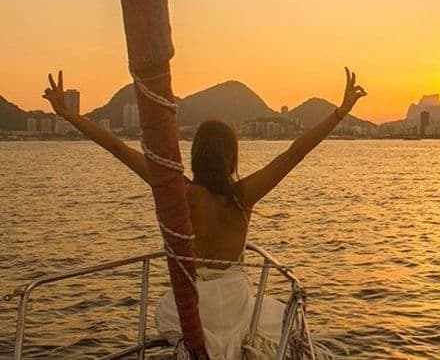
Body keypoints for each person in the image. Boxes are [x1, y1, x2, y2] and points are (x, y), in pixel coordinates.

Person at [42, 68, 366, 359]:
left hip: (194, 304)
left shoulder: (179, 192)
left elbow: (118, 148)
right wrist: (339, 112)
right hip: (237, 304)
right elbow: (295, 152)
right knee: (275, 321)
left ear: (196, 155)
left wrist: (68, 114)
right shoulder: (242, 196)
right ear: (231, 156)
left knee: (167, 313)